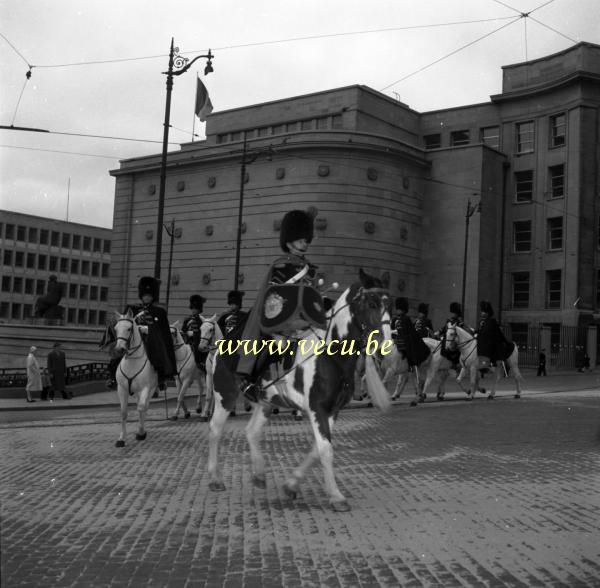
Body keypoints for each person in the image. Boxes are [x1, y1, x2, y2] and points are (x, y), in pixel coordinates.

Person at [236, 209, 326, 402]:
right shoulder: (280, 266)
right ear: (289, 241)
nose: (305, 243)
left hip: (306, 324)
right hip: (282, 324)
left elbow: (313, 299)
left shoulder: (311, 270)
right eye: (301, 239)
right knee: (270, 345)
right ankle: (249, 380)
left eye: (306, 239)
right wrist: (284, 325)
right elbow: (271, 300)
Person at [128, 276, 177, 391]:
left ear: (152, 297)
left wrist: (149, 329)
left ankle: (161, 378)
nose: (146, 298)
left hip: (151, 339)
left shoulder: (159, 312)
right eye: (145, 296)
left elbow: (163, 330)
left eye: (149, 296)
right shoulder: (134, 310)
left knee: (158, 349)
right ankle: (113, 374)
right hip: (135, 338)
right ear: (141, 296)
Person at [391, 297, 430, 367]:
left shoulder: (406, 318)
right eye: (398, 309)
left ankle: (411, 364)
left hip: (404, 340)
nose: (398, 311)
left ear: (403, 310)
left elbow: (408, 330)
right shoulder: (395, 319)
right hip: (396, 339)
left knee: (410, 349)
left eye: (400, 309)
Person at [476, 300, 512, 370]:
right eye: (482, 311)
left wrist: (505, 341)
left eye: (484, 312)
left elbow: (498, 332)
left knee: (489, 347)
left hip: (491, 341)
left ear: (488, 313)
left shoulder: (492, 321)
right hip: (483, 340)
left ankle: (492, 362)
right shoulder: (481, 321)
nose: (482, 313)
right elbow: (480, 331)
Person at [182, 294, 207, 371]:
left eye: (195, 309)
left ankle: (200, 364)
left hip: (197, 342)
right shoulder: (187, 319)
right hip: (187, 341)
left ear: (199, 310)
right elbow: (183, 330)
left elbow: (204, 333)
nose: (193, 310)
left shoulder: (202, 320)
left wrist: (194, 334)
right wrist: (186, 333)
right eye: (192, 309)